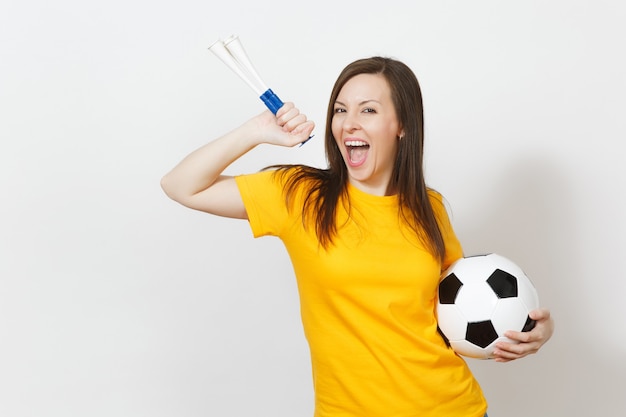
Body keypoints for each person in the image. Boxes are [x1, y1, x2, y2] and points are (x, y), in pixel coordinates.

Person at [161, 56, 554, 417]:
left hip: (452, 406)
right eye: (340, 110)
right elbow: (181, 185)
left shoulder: (429, 207)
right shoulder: (300, 195)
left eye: (368, 110)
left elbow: (459, 308)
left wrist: (531, 329)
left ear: (401, 125)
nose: (349, 123)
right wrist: (255, 131)